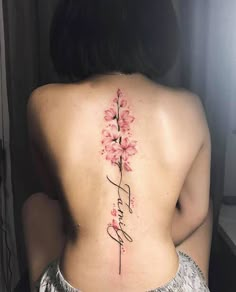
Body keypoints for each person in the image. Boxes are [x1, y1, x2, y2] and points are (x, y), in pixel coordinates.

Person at [22, 0, 213, 291]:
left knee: (37, 206)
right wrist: (147, 236)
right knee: (205, 208)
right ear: (158, 31)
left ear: (72, 28)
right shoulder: (190, 107)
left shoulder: (42, 102)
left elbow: (52, 192)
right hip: (167, 283)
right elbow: (194, 212)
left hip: (76, 284)